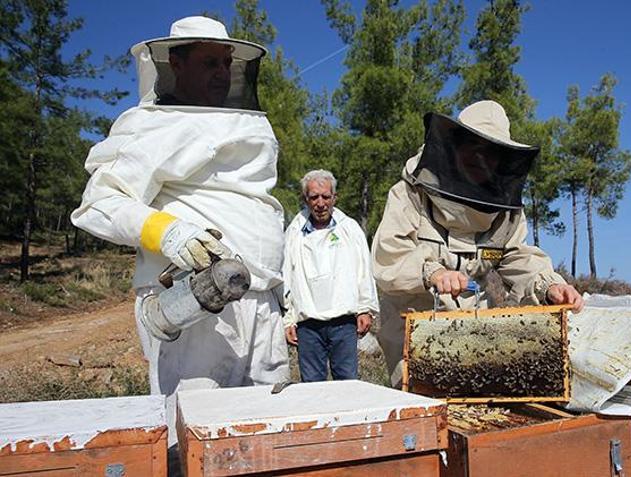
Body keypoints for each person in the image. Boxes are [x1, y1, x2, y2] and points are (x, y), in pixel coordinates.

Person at [71, 16, 289, 434]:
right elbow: (100, 201)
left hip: (260, 302)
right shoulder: (151, 124)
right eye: (210, 63)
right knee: (194, 432)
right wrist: (167, 232)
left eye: (227, 63)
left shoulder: (248, 122)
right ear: (176, 63)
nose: (223, 73)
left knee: (269, 434)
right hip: (197, 302)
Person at [371, 100, 585, 386]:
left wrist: (548, 285)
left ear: (502, 159)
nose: (479, 156)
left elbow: (515, 255)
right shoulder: (411, 194)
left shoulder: (504, 211)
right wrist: (431, 272)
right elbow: (390, 256)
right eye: (473, 145)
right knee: (423, 415)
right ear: (455, 146)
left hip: (472, 331)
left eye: (491, 151)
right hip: (411, 328)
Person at [282, 170, 379, 382]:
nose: (320, 203)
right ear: (305, 199)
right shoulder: (294, 233)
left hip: (344, 323)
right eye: (314, 197)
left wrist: (366, 309)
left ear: (335, 197)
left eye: (325, 196)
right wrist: (288, 320)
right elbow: (286, 277)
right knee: (312, 388)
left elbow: (364, 270)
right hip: (308, 325)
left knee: (347, 384)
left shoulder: (349, 229)